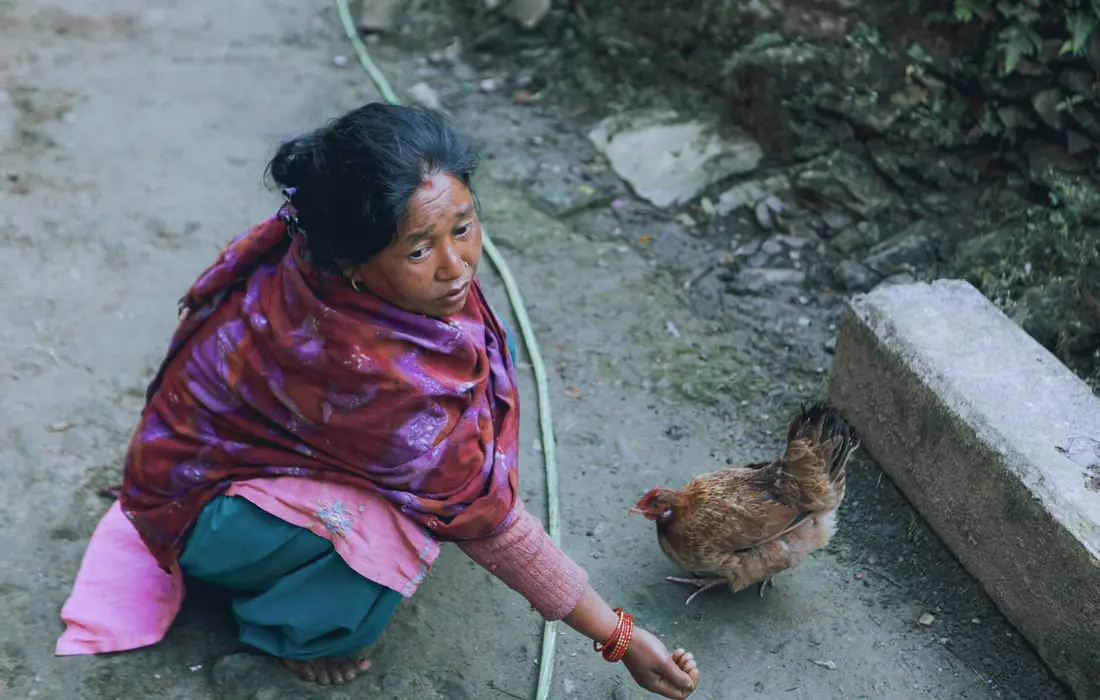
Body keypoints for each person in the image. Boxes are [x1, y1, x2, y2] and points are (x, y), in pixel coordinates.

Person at [54, 102, 700, 698]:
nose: (457, 266)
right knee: (400, 521)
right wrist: (619, 636)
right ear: (353, 258)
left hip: (185, 461)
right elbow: (487, 524)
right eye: (420, 248)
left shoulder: (318, 244)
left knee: (432, 487)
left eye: (464, 226)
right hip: (202, 513)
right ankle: (293, 632)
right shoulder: (372, 374)